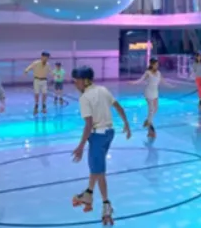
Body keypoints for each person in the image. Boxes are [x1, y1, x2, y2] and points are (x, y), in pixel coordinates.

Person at [71, 66, 131, 225]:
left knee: (99, 171)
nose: (75, 84)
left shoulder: (84, 98)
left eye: (76, 81)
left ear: (85, 81)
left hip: (97, 136)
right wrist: (126, 123)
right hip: (109, 133)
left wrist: (80, 146)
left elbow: (88, 124)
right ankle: (88, 194)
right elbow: (118, 106)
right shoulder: (103, 90)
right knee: (96, 169)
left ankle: (106, 204)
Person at [130, 57, 173, 138]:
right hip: (148, 92)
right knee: (151, 110)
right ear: (151, 64)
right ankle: (150, 129)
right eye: (155, 64)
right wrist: (133, 83)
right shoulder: (148, 73)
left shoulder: (158, 73)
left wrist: (171, 86)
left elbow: (163, 81)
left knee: (155, 109)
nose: (157, 66)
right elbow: (140, 80)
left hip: (155, 93)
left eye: (157, 64)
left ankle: (147, 121)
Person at [24, 51, 51, 115]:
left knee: (44, 93)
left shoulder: (47, 64)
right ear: (42, 57)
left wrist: (54, 75)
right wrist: (26, 70)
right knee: (37, 93)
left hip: (44, 80)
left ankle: (44, 105)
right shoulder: (36, 63)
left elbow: (50, 71)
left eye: (47, 58)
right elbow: (30, 67)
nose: (46, 59)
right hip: (37, 80)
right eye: (45, 57)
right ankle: (36, 105)